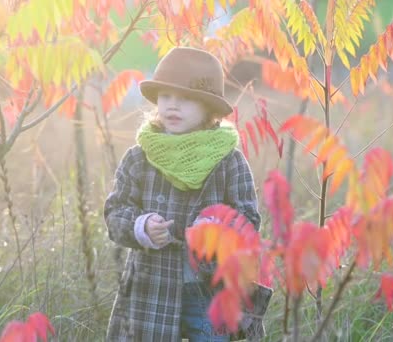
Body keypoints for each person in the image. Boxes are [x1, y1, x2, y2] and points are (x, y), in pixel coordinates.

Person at [104, 47, 270, 341]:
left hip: (209, 291)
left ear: (208, 108)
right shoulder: (139, 158)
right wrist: (140, 227)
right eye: (166, 97)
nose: (172, 106)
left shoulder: (229, 160)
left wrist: (216, 232)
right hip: (150, 290)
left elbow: (248, 220)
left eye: (185, 99)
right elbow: (115, 212)